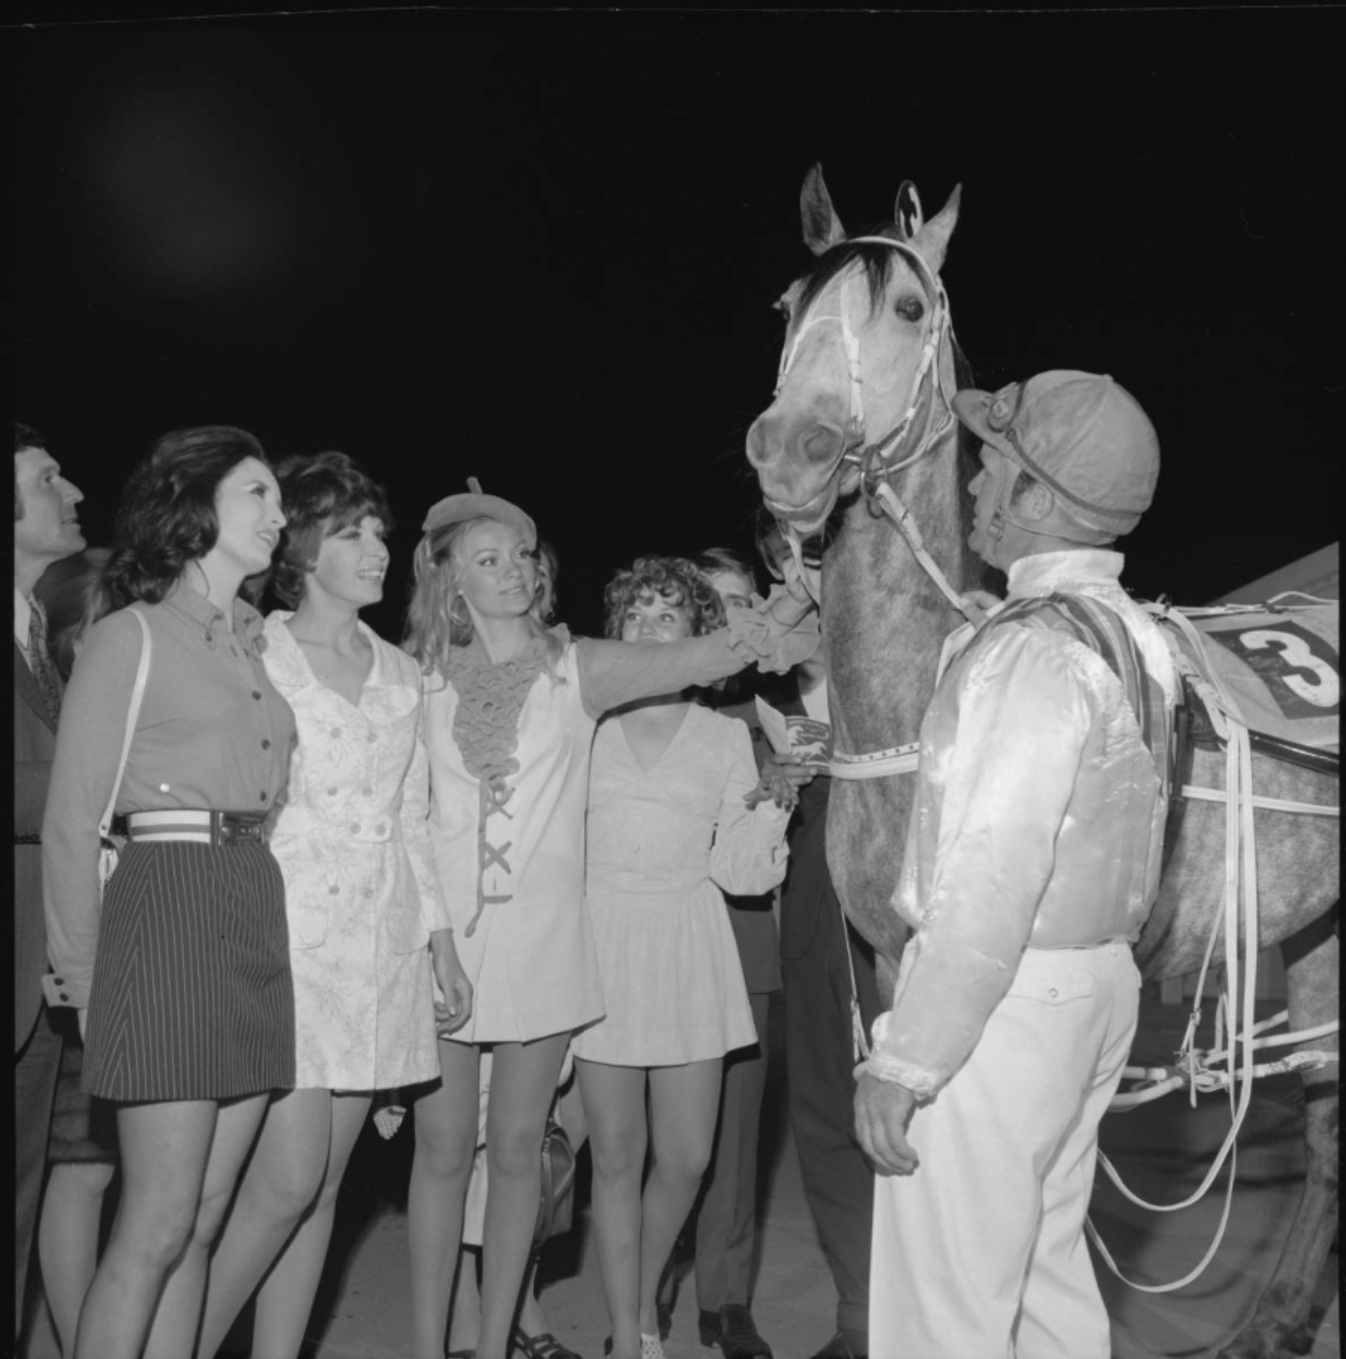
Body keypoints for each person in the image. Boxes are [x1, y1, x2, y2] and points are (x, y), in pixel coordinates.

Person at [402, 483, 815, 1359]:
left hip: (558, 945)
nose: (514, 569)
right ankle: (445, 1337)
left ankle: (544, 1327)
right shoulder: (415, 676)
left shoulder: (577, 667)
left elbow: (698, 659)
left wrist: (788, 600)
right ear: (449, 581)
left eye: (523, 553)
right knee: (450, 1153)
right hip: (451, 940)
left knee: (525, 1151)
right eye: (488, 558)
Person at [854, 371, 1176, 1358]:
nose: (974, 485)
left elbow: (987, 875)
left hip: (1002, 1001)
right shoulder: (1135, 632)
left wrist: (906, 1059)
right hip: (1092, 987)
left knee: (943, 1315)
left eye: (992, 464)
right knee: (1042, 1290)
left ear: (1039, 497)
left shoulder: (1027, 653)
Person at [194, 451, 473, 1359]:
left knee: (324, 1189)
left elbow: (414, 816)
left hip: (380, 947)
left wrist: (440, 942)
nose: (376, 545)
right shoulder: (253, 646)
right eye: (351, 530)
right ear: (303, 546)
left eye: (379, 529)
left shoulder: (403, 671)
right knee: (284, 1181)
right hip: (286, 934)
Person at [42, 425, 297, 1359]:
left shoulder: (252, 646)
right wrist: (79, 977)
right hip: (169, 900)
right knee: (154, 1223)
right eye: (257, 495)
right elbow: (74, 819)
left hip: (248, 896)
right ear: (194, 510)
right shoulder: (130, 635)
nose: (279, 514)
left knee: (203, 1221)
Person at [574, 555, 793, 1359]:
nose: (648, 628)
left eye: (668, 616)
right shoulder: (584, 725)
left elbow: (739, 870)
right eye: (635, 615)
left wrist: (773, 805)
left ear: (700, 637)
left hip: (691, 945)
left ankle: (633, 1298)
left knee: (690, 1154)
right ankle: (630, 1336)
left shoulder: (725, 734)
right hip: (603, 939)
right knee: (618, 1154)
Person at [654, 546, 784, 1359]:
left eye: (747, 604)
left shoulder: (778, 710)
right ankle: (650, 1267)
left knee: (735, 1131)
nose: (733, 619)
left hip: (743, 937)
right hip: (651, 932)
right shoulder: (643, 697)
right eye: (718, 603)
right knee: (646, 1129)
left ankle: (725, 1298)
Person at [757, 520, 880, 1359]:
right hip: (809, 918)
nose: (803, 578)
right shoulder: (756, 696)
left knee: (911, 1116)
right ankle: (860, 1315)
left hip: (893, 924)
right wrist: (773, 784)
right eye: (786, 564)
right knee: (826, 1119)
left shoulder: (904, 665)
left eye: (815, 559)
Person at [34, 547, 120, 1357]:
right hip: (71, 958)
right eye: (99, 631)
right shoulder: (57, 717)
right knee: (81, 1166)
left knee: (114, 1170)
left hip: (130, 953)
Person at [14, 422, 87, 1346]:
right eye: (44, 476)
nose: (69, 488)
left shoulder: (36, 629)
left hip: (37, 970)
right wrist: (94, 782)